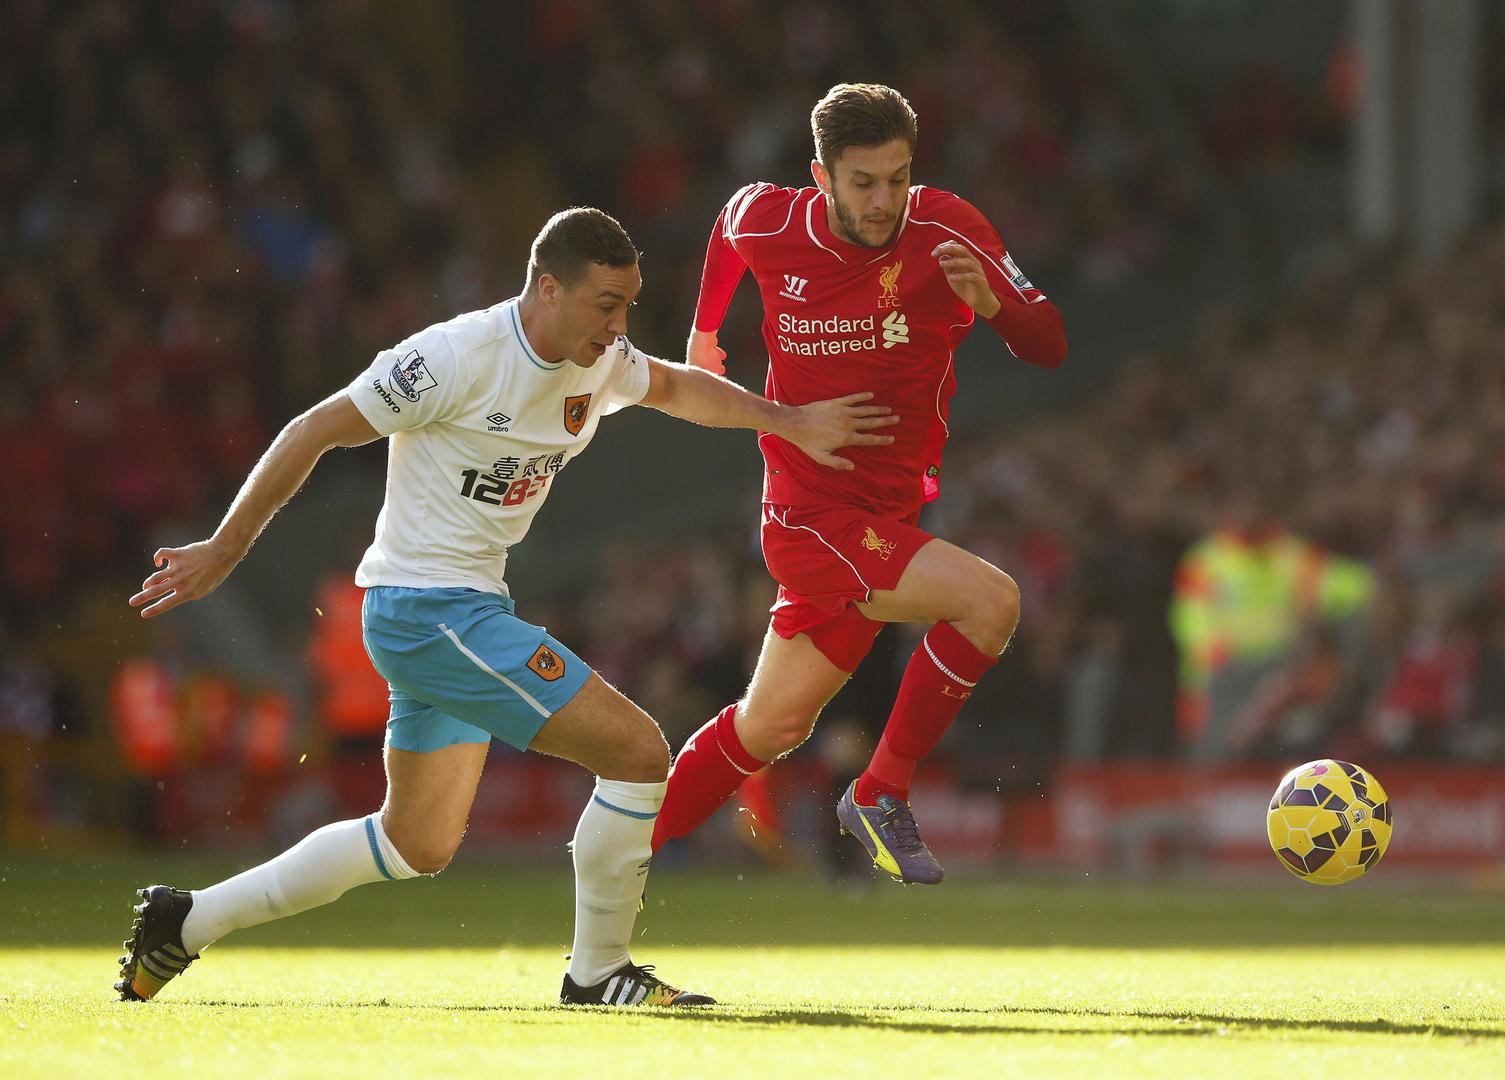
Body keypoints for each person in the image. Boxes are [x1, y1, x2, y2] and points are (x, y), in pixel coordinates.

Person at [115, 207, 897, 1007]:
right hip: (430, 611)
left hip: (460, 609)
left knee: (415, 842)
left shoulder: (599, 359)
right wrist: (226, 547)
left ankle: (187, 919)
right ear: (548, 289)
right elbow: (314, 428)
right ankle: (598, 973)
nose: (619, 327)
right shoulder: (452, 358)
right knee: (637, 752)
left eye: (627, 306)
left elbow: (670, 385)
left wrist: (785, 421)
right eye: (606, 305)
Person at [650, 84, 1068, 884]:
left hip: (885, 517)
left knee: (767, 726)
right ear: (822, 177)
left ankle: (614, 850)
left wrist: (993, 306)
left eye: (897, 179)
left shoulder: (948, 228)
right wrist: (702, 333)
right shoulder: (775, 221)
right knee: (990, 603)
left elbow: (1048, 344)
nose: (883, 202)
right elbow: (730, 225)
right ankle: (879, 791)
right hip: (808, 519)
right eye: (863, 183)